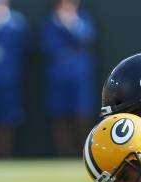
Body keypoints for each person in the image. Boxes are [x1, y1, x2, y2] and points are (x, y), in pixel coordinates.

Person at [41, 0, 95, 157]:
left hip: (79, 77)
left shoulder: (83, 19)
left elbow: (85, 37)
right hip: (57, 78)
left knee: (81, 113)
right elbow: (47, 46)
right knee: (59, 115)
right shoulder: (50, 22)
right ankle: (65, 153)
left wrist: (70, 24)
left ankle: (85, 152)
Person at [0, 0, 27, 157]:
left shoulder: (16, 23)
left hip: (9, 80)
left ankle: (5, 154)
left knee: (8, 119)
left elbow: (22, 50)